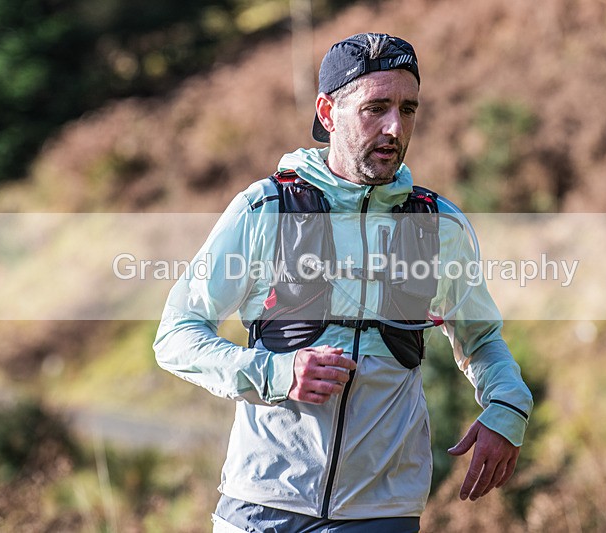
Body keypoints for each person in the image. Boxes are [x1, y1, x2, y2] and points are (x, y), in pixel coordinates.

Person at [154, 32, 533, 532]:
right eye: (375, 108)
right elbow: (177, 334)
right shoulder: (265, 209)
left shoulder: (438, 225)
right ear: (328, 113)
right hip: (263, 504)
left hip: (381, 513)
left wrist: (507, 407)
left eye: (408, 109)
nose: (395, 127)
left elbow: (480, 339)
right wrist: (275, 372)